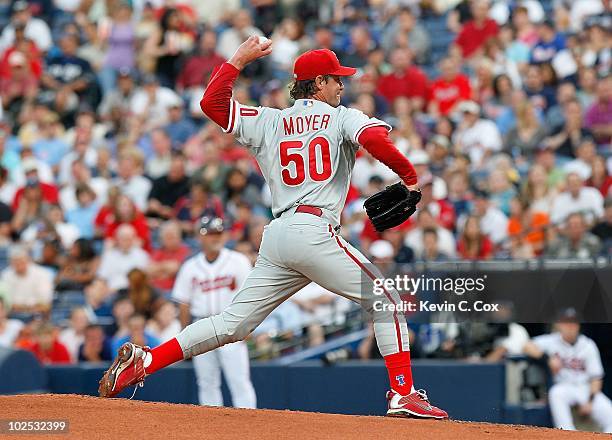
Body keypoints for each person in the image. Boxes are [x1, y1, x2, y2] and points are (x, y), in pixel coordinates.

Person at [99, 37, 448, 419]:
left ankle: (146, 362)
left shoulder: (270, 120)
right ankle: (403, 394)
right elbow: (374, 138)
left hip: (278, 235)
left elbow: (211, 104)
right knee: (388, 301)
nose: (341, 85)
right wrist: (410, 178)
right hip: (313, 229)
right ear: (318, 84)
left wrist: (236, 60)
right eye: (335, 79)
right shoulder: (342, 116)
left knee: (232, 325)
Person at [171, 216, 256, 408]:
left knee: (239, 380)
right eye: (210, 234)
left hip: (231, 326)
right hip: (202, 325)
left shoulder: (238, 261)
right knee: (207, 382)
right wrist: (186, 336)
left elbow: (250, 296)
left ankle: (250, 426)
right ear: (200, 237)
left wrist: (248, 326)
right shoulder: (190, 267)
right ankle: (211, 429)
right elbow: (184, 304)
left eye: (218, 233)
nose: (215, 238)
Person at [523, 309, 612, 433]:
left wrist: (590, 402)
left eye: (573, 323)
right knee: (556, 393)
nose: (570, 326)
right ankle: (567, 434)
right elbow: (526, 346)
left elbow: (596, 377)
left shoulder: (588, 344)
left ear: (578, 325)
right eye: (566, 322)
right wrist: (547, 358)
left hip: (585, 389)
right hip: (564, 387)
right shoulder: (551, 340)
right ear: (559, 324)